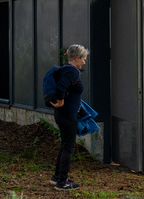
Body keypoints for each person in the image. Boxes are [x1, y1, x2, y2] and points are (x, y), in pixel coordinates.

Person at [49, 44, 88, 191]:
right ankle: (62, 182)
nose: (84, 62)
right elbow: (61, 87)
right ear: (77, 58)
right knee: (69, 147)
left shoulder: (64, 69)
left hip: (62, 114)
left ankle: (57, 177)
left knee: (65, 145)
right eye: (83, 59)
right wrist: (61, 102)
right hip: (68, 115)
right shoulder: (72, 72)